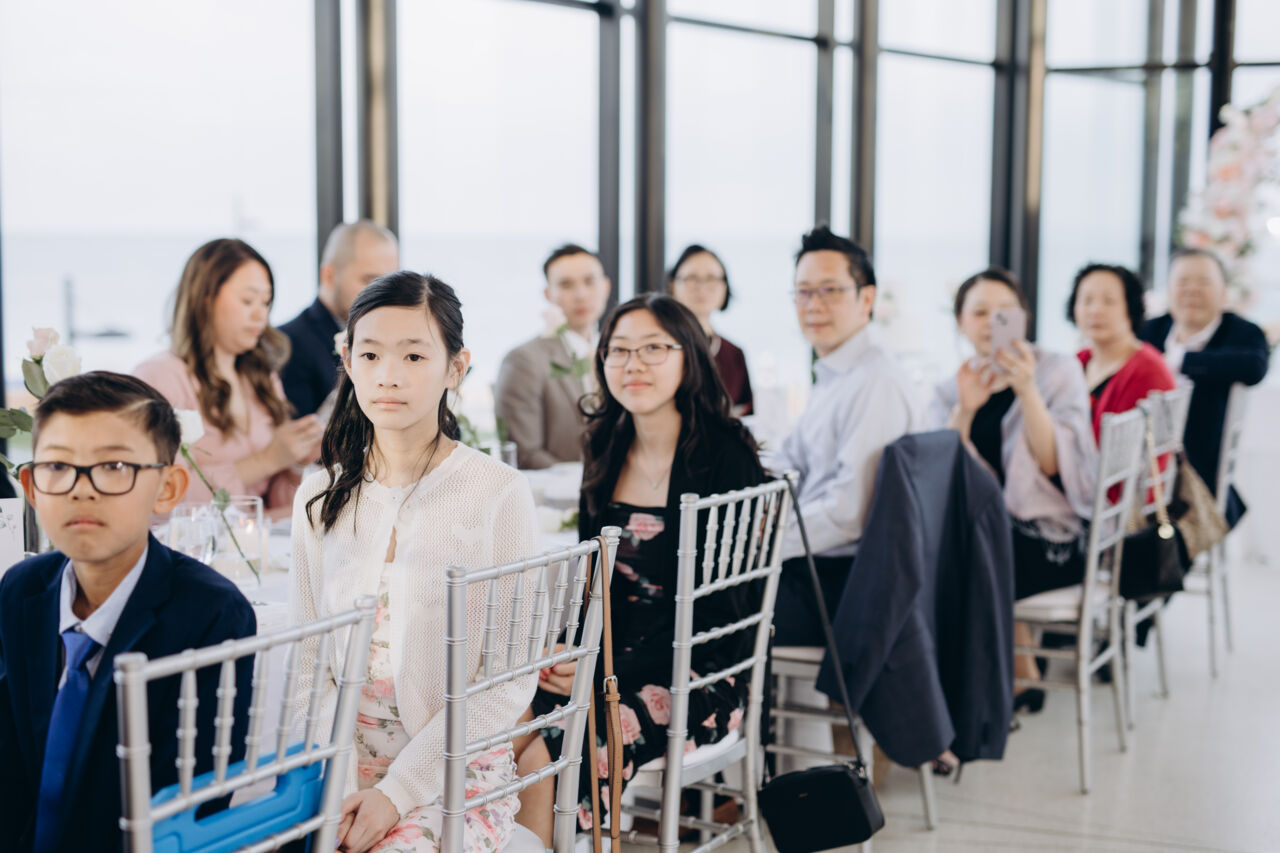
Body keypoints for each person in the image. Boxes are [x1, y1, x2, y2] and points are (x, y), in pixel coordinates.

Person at [290, 272, 540, 853]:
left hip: (454, 770)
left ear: (456, 367)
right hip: (336, 766)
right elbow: (307, 666)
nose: (389, 375)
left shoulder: (497, 492)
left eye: (414, 355)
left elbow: (508, 681)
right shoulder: (318, 497)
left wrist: (396, 792)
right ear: (348, 362)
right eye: (370, 354)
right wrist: (340, 786)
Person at [512, 294, 766, 843]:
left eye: (654, 348)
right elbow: (593, 584)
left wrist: (600, 670)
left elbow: (722, 615)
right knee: (496, 731)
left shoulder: (726, 456)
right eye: (619, 350)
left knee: (548, 754)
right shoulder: (605, 443)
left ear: (688, 357)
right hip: (610, 661)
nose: (634, 364)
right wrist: (571, 651)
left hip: (699, 674)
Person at [0, 372, 255, 853]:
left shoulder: (212, 613)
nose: (81, 489)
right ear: (32, 487)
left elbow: (198, 798)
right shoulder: (22, 590)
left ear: (167, 488)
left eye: (114, 466)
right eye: (58, 465)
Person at [929, 267, 1097, 713]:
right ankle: (1008, 676)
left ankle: (978, 692)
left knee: (960, 554)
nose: (991, 322)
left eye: (1004, 311)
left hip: (1051, 537)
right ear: (961, 323)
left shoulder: (1057, 370)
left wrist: (1028, 391)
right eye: (979, 312)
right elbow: (941, 474)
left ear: (1023, 317)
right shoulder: (951, 388)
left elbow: (1056, 463)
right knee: (955, 545)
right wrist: (965, 411)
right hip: (988, 533)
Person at [766, 225, 920, 647]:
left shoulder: (876, 382)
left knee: (690, 605)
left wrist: (761, 545)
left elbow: (849, 514)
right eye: (803, 292)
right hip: (815, 566)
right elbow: (790, 460)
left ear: (866, 299)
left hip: (843, 587)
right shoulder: (836, 372)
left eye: (830, 290)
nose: (813, 305)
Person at [135, 238, 323, 519]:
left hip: (260, 538)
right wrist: (267, 460)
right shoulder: (160, 378)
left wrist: (298, 462)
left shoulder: (261, 377)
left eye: (266, 302)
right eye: (247, 300)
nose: (261, 315)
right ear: (205, 298)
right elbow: (159, 495)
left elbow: (273, 503)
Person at [1139, 248, 1270, 525]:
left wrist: (1181, 360)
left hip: (1197, 470)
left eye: (1203, 282)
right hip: (1140, 460)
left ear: (1223, 292)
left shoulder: (1242, 333)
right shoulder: (1149, 330)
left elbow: (1255, 367)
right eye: (1183, 282)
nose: (1192, 290)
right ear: (1168, 290)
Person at [495, 243, 612, 469]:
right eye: (566, 285)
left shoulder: (618, 352)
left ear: (605, 286)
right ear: (548, 294)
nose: (581, 294)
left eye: (589, 281)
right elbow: (525, 454)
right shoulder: (523, 360)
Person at [279, 220, 400, 417]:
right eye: (370, 281)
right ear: (329, 276)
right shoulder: (288, 343)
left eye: (389, 283)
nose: (383, 295)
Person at [1067, 262, 1176, 438]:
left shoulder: (1147, 371)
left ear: (1131, 307)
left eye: (1109, 301)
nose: (1095, 310)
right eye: (1087, 300)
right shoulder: (1078, 360)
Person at [667, 244, 753, 415]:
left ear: (725, 287)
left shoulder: (734, 354)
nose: (702, 287)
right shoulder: (661, 347)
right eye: (692, 278)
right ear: (672, 285)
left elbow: (746, 413)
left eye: (712, 278)